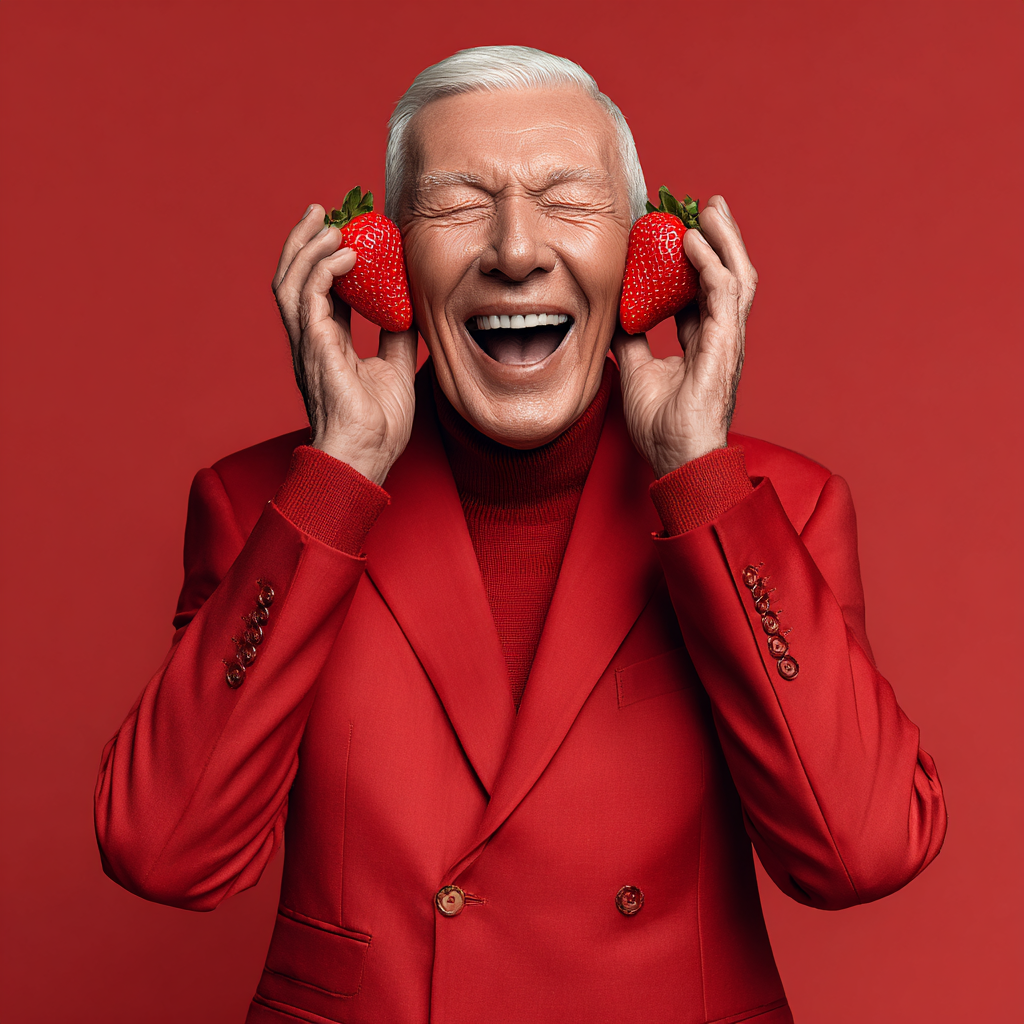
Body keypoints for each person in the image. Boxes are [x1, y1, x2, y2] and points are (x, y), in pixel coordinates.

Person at [95, 46, 946, 1024]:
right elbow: (163, 853)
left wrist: (699, 475)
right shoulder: (267, 505)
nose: (513, 249)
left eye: (565, 199)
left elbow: (860, 853)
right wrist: (338, 477)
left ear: (643, 252)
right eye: (459, 205)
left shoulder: (770, 504)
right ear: (388, 254)